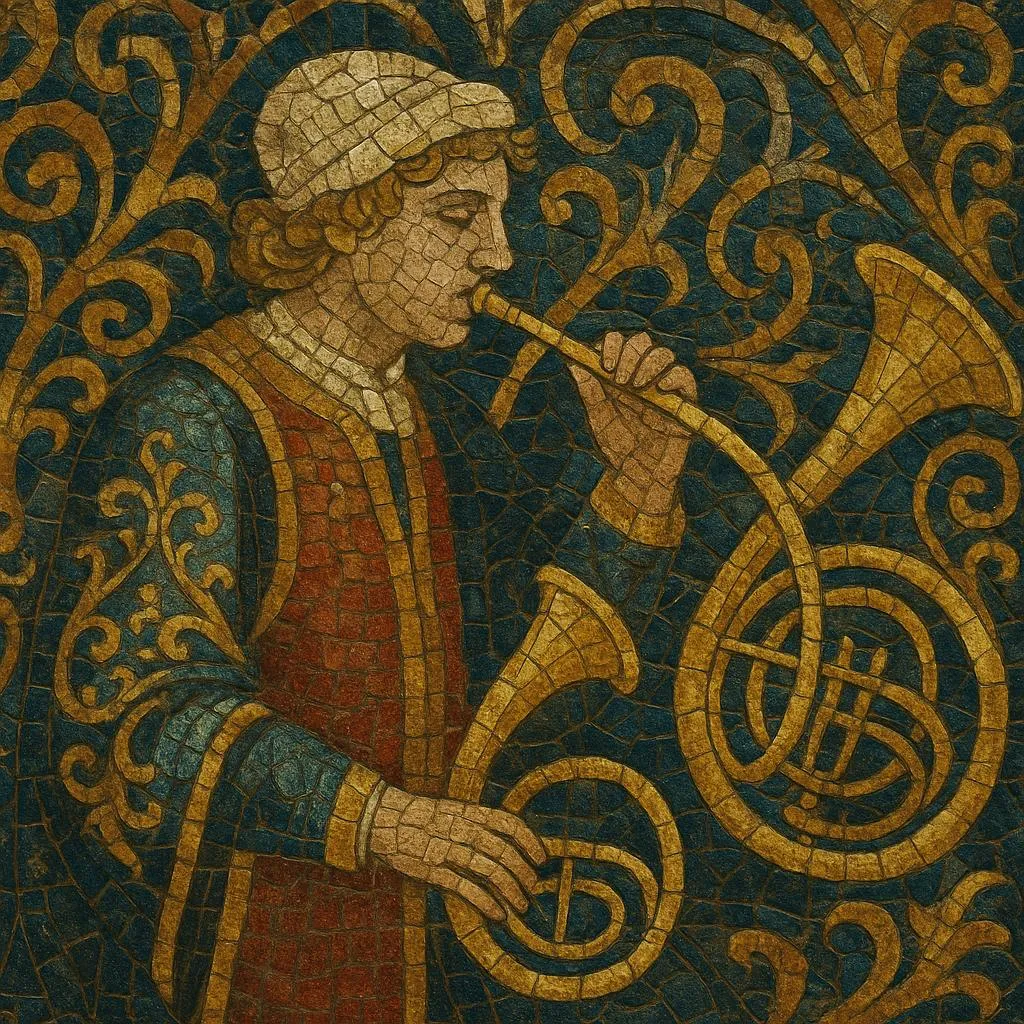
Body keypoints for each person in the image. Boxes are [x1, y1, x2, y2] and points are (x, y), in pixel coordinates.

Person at [20, 50, 697, 1023]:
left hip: (430, 963)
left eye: (497, 217)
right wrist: (380, 820)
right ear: (343, 220)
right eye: (457, 218)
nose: (499, 254)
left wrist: (638, 486)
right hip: (246, 964)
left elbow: (521, 686)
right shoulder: (193, 412)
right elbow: (137, 719)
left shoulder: (441, 422)